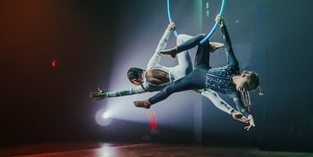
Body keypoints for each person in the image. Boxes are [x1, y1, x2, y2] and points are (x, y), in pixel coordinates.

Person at [89, 21, 243, 122]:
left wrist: (107, 94)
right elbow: (159, 48)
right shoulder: (149, 70)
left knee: (209, 93)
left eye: (133, 82)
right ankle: (205, 46)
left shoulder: (144, 86)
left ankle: (231, 111)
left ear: (135, 79)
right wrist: (168, 30)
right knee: (181, 38)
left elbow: (127, 92)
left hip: (185, 80)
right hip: (184, 72)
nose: (135, 84)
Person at [134, 15, 260, 131]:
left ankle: (148, 103)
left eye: (248, 90)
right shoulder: (234, 67)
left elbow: (241, 107)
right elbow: (228, 47)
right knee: (202, 38)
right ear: (244, 75)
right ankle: (175, 51)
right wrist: (223, 26)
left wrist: (249, 116)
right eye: (247, 85)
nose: (245, 90)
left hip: (196, 80)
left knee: (169, 89)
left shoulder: (233, 92)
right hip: (202, 67)